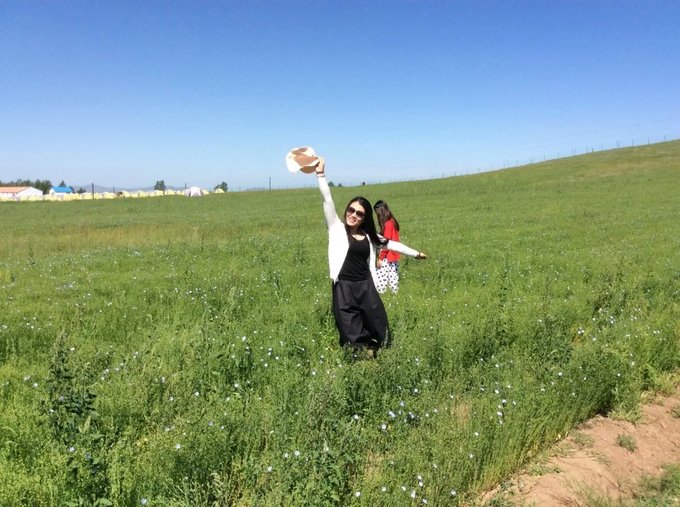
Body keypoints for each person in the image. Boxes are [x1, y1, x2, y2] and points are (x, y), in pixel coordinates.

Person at [315, 159, 427, 355]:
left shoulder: (368, 236)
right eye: (351, 210)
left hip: (365, 285)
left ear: (364, 218)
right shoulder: (336, 228)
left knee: (377, 321)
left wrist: (415, 253)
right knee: (349, 325)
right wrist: (320, 175)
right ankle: (361, 356)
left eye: (359, 213)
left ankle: (378, 350)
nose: (354, 215)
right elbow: (327, 200)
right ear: (346, 210)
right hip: (344, 286)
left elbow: (392, 244)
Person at [373, 200, 403, 294]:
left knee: (381, 280)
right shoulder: (393, 221)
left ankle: (381, 297)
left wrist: (380, 258)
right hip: (394, 255)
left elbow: (386, 243)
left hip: (387, 255)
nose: (377, 215)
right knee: (393, 278)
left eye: (377, 213)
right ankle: (394, 296)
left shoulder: (387, 224)